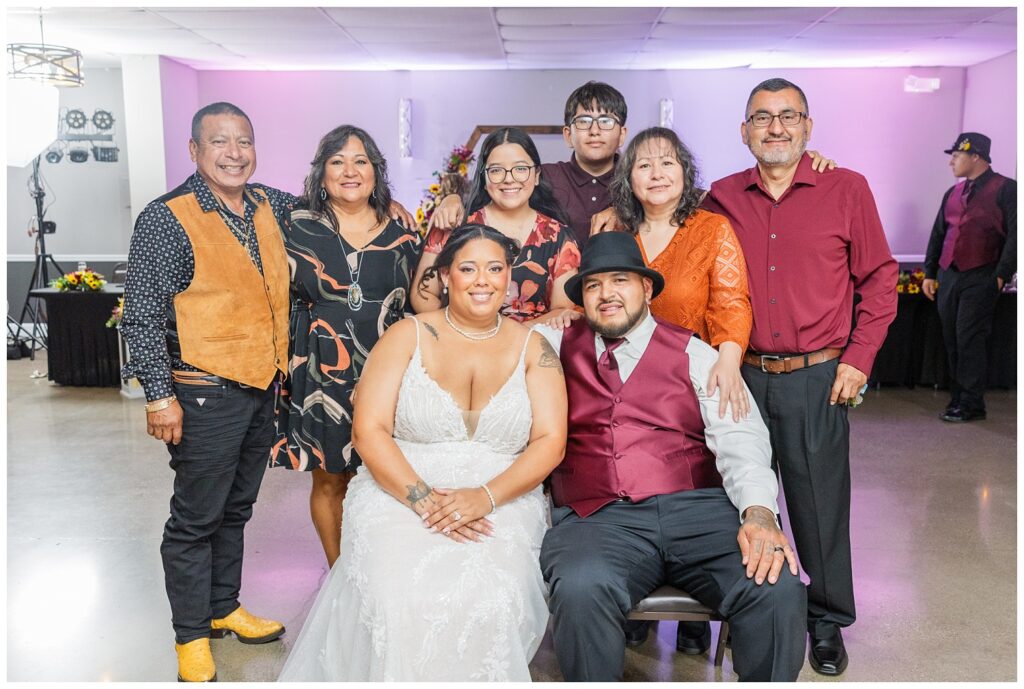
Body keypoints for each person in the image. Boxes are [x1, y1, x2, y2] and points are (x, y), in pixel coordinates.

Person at [278, 225, 568, 681]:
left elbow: (551, 440)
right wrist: (423, 499)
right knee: (397, 595)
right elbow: (369, 430)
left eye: (495, 268)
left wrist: (485, 497)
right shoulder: (405, 335)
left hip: (502, 497)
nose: (482, 280)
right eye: (468, 268)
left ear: (509, 276)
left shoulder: (536, 348)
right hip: (400, 489)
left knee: (492, 598)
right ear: (445, 276)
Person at [536, 231, 807, 682]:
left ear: (646, 288)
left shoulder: (696, 353)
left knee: (775, 585)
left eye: (620, 281)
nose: (606, 294)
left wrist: (760, 512)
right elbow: (487, 340)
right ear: (580, 298)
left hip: (698, 511)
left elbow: (741, 438)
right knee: (581, 588)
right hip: (597, 518)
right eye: (593, 285)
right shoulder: (549, 345)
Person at [702, 78, 898, 676]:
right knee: (737, 498)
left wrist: (858, 358)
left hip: (817, 376)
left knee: (819, 505)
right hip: (741, 375)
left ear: (808, 127)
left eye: (789, 116)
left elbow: (880, 279)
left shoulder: (846, 188)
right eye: (763, 117)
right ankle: (750, 611)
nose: (777, 127)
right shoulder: (720, 197)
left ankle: (827, 620)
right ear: (745, 131)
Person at [121, 102, 291, 682]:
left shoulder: (269, 204)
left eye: (244, 141)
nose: (234, 153)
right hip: (202, 392)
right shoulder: (167, 217)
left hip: (260, 386)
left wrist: (389, 203)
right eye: (220, 141)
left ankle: (223, 607)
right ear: (194, 150)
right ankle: (190, 637)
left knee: (236, 509)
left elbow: (331, 204)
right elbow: (141, 316)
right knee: (195, 519)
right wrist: (157, 395)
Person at [269, 125, 422, 568]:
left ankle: (380, 569)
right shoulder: (293, 225)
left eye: (361, 161)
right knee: (330, 480)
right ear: (321, 173)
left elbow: (421, 303)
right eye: (337, 162)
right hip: (320, 370)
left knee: (385, 475)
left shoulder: (404, 230)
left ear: (376, 171)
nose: (349, 171)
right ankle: (340, 573)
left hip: (389, 370)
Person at [411, 127, 580, 324]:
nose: (509, 179)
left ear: (536, 176)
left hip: (530, 339)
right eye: (496, 170)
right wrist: (458, 331)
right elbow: (422, 294)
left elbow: (562, 311)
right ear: (484, 177)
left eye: (520, 169)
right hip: (459, 338)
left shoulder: (558, 237)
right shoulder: (454, 225)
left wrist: (507, 337)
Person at [430, 80, 628, 246]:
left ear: (622, 135)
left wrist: (623, 212)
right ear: (568, 135)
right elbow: (493, 198)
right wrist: (453, 199)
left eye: (606, 121)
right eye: (584, 121)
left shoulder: (637, 181)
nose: (595, 131)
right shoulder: (544, 176)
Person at [922, 132, 1016, 422]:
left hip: (982, 274)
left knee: (970, 339)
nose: (951, 162)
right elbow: (939, 233)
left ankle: (972, 403)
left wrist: (1001, 275)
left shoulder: (1007, 188)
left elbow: (1016, 235)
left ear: (976, 156)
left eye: (956, 156)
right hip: (950, 275)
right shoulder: (952, 193)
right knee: (952, 338)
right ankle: (958, 398)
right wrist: (929, 273)